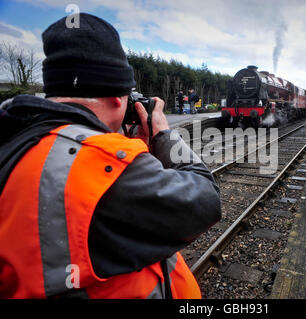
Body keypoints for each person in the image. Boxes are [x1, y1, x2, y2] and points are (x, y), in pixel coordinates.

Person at [0, 13, 221, 299]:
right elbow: (206, 200)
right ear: (119, 98)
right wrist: (165, 136)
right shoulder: (103, 163)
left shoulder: (16, 138)